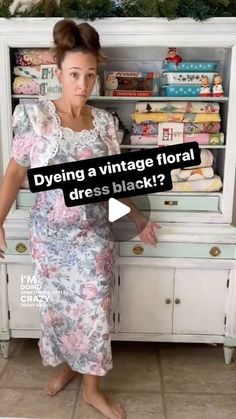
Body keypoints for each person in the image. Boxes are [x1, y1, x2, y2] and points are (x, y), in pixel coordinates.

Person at [0, 19, 160, 419]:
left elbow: (113, 183)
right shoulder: (33, 117)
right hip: (48, 240)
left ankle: (92, 390)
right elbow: (16, 173)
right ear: (57, 73)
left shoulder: (104, 124)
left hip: (91, 238)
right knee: (56, 311)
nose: (83, 83)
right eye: (74, 74)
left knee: (93, 313)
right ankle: (70, 366)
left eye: (90, 75)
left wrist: (138, 217)